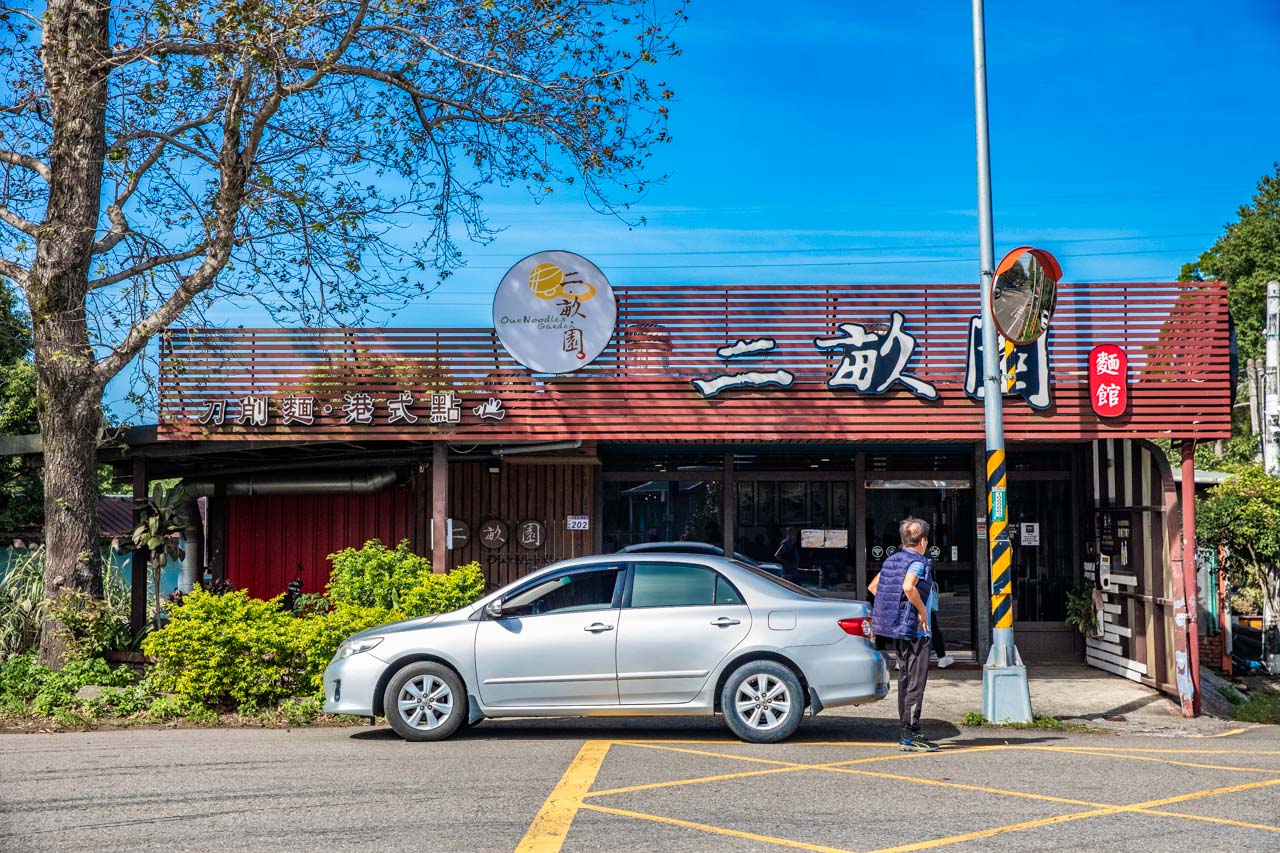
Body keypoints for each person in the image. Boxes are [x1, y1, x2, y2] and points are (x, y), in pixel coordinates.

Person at [868, 517, 938, 752]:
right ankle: (910, 734)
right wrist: (921, 611)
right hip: (917, 632)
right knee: (916, 683)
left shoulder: (892, 561)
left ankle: (908, 731)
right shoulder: (918, 562)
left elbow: (874, 587)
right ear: (923, 541)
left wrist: (897, 609)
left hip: (898, 630)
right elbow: (908, 586)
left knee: (906, 680)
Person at [930, 585, 955, 669]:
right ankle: (941, 657)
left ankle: (901, 658)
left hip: (904, 599)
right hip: (922, 598)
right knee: (933, 628)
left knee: (905, 628)